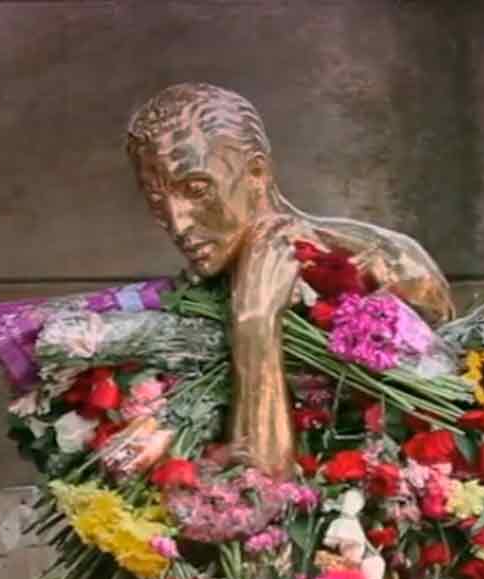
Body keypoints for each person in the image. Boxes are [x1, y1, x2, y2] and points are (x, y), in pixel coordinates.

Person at [125, 83, 454, 475]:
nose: (177, 224)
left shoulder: (385, 264)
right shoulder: (184, 304)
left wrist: (256, 322)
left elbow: (263, 486)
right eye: (156, 200)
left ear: (257, 172)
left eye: (196, 190)